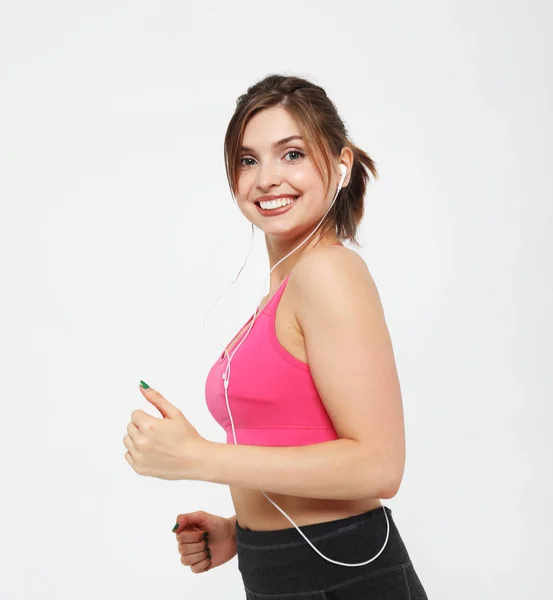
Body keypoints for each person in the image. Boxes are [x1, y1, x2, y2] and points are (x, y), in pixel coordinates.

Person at [125, 73, 428, 599]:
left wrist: (198, 458)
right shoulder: (284, 287)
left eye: (291, 155)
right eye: (248, 160)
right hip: (283, 569)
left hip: (344, 577)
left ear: (340, 164)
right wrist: (243, 529)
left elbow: (380, 466)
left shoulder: (328, 273)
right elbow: (296, 438)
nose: (267, 178)